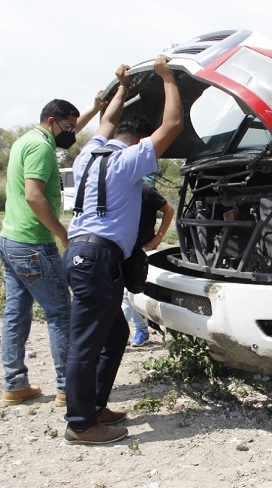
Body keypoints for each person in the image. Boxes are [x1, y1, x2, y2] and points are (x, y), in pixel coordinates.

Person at [62, 55, 183, 445]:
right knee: (86, 343)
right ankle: (81, 424)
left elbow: (107, 121)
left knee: (114, 335)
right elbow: (173, 125)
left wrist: (122, 89)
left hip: (82, 255)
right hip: (98, 258)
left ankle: (95, 407)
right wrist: (167, 79)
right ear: (138, 143)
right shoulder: (128, 162)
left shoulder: (88, 154)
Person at [0, 94, 104, 407]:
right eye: (68, 127)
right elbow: (33, 196)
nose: (72, 132)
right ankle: (68, 387)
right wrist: (62, 233)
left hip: (10, 241)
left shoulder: (26, 140)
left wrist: (95, 108)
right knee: (60, 312)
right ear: (51, 122)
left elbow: (68, 133)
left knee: (16, 314)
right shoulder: (42, 148)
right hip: (33, 243)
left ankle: (14, 384)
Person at [121, 180, 174, 346]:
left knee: (130, 293)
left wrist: (158, 238)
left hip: (141, 250)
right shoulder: (117, 186)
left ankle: (135, 331)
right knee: (127, 294)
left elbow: (169, 210)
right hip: (122, 248)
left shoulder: (145, 189)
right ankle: (140, 329)